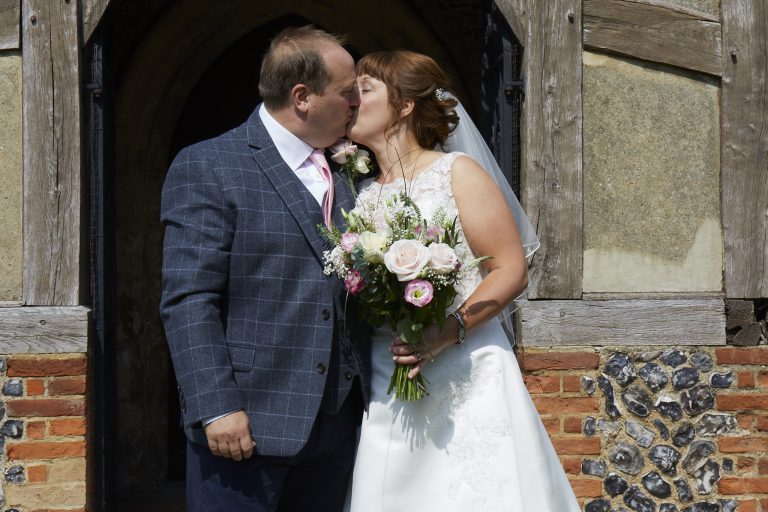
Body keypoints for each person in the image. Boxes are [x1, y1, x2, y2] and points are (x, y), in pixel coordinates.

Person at [345, 50, 580, 511]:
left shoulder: (456, 173)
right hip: (386, 367)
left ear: (405, 105)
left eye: (365, 88)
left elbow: (510, 269)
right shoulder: (359, 191)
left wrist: (444, 333)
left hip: (464, 366)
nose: (351, 99)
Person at [160, 26, 369, 512]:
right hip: (244, 425)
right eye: (347, 91)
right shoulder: (210, 164)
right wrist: (217, 406)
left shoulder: (354, 173)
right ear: (302, 97)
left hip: (337, 428)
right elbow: (188, 298)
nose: (357, 101)